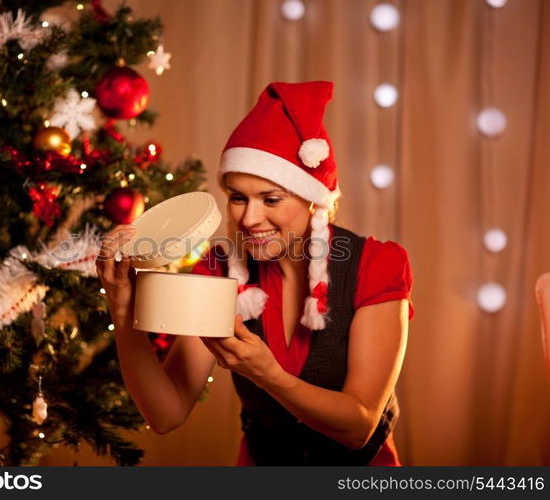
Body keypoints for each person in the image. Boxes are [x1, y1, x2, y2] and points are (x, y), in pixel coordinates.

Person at [96, 81, 413, 466]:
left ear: (314, 201)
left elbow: (359, 426)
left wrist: (267, 374)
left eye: (271, 199)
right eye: (238, 197)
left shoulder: (376, 264)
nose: (249, 218)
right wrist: (123, 311)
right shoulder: (219, 269)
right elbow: (167, 413)